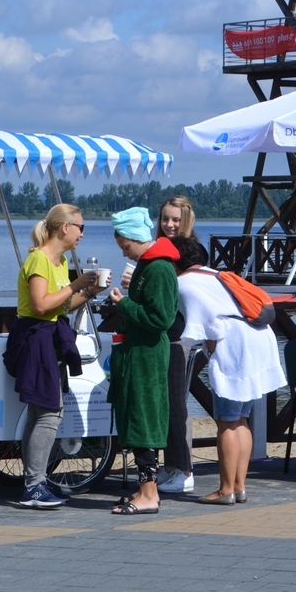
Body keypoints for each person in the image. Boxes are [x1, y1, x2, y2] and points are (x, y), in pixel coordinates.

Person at [4, 204, 109, 509]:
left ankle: (35, 481)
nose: (82, 234)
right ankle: (34, 485)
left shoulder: (60, 262)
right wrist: (76, 285)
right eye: (80, 227)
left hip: (49, 337)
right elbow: (40, 304)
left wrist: (89, 292)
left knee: (40, 412)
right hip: (35, 337)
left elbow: (60, 306)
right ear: (65, 227)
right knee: (50, 412)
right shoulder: (39, 259)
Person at [171, 236, 286, 506]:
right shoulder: (215, 275)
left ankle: (225, 490)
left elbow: (199, 328)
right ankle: (239, 487)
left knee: (226, 421)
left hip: (235, 345)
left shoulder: (183, 283)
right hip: (258, 336)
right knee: (241, 419)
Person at [106, 207, 179, 515]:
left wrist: (123, 305)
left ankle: (149, 494)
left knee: (143, 419)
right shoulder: (149, 266)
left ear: (136, 238)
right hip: (138, 353)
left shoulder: (158, 269)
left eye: (126, 246)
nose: (125, 253)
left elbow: (161, 318)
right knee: (138, 416)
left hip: (146, 356)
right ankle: (146, 489)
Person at [153, 196, 204, 494]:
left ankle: (185, 471)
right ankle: (171, 466)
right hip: (166, 334)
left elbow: (184, 290)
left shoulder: (190, 251)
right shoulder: (161, 248)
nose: (169, 224)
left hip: (181, 336)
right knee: (167, 405)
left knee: (177, 405)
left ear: (186, 220)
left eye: (175, 219)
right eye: (165, 219)